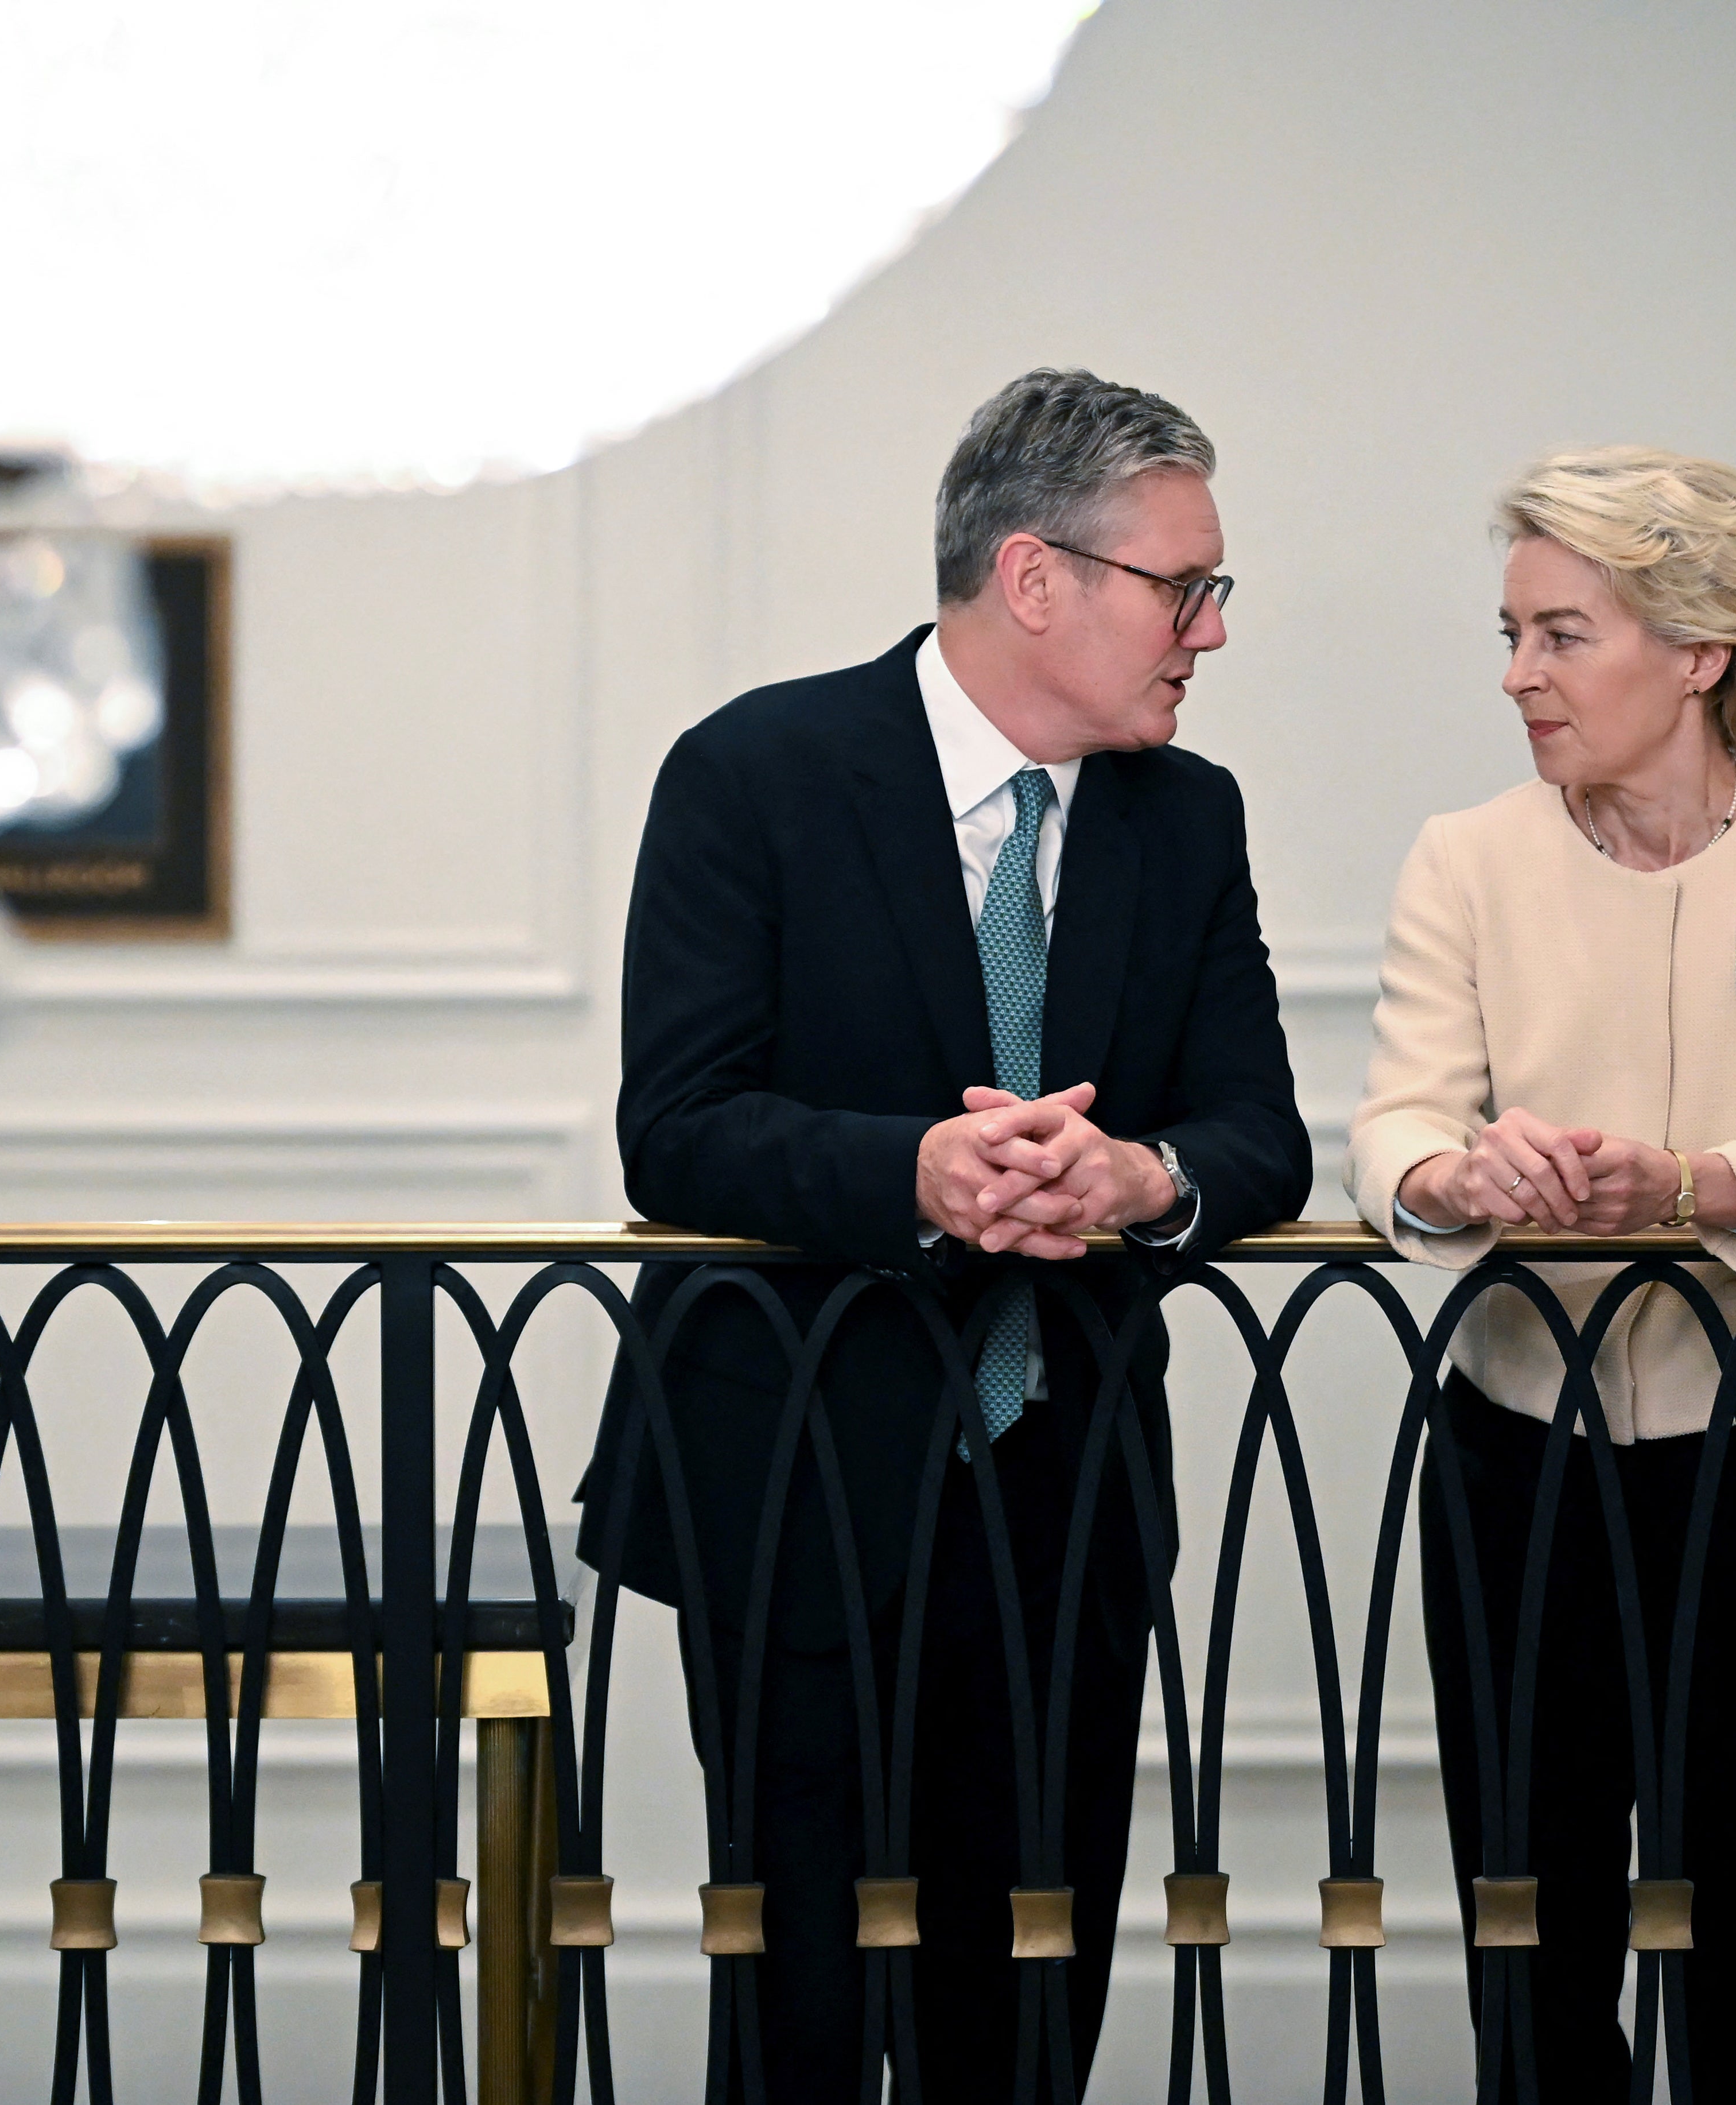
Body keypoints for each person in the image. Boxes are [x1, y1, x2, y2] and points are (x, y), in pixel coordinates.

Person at [580, 369, 1312, 2104]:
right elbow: (673, 1121)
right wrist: (913, 1169)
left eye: (1214, 591)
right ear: (1032, 576)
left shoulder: (1183, 818)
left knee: (1028, 2028)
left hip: (1066, 1505)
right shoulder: (754, 769)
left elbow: (1256, 1134)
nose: (1208, 631)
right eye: (1181, 587)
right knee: (799, 2020)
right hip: (795, 1492)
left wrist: (1135, 1180)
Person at [1344, 446, 1736, 2102]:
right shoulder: (1465, 854)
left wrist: (1683, 1185)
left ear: (1699, 651)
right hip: (1516, 1455)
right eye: (1512, 633)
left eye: (1559, 634)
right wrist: (1457, 1172)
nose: (1516, 675)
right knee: (1530, 1937)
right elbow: (1393, 1117)